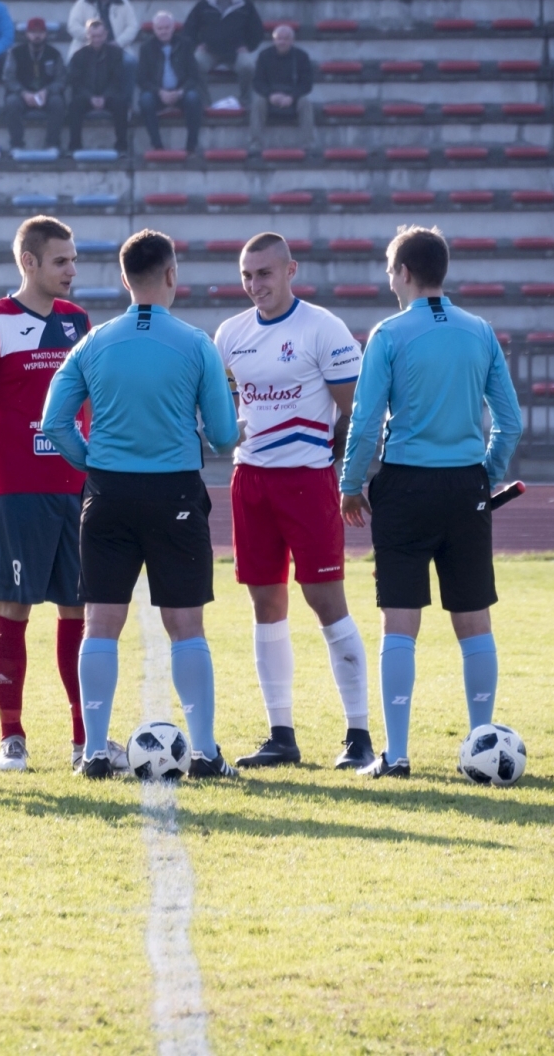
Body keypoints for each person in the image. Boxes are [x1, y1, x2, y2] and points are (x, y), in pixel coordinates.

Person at [41, 230, 239, 779]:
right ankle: (203, 753)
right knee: (185, 625)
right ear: (172, 275)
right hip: (174, 492)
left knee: (100, 624)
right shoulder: (197, 343)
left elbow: (54, 422)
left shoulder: (93, 342)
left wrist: (91, 462)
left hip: (107, 494)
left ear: (124, 280)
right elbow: (223, 437)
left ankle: (96, 753)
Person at [338, 226, 523, 779]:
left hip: (407, 486)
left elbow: (366, 421)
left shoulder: (390, 333)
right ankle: (482, 747)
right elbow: (510, 422)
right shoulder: (480, 330)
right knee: (474, 621)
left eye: (389, 270)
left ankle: (395, 757)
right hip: (465, 486)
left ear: (404, 273)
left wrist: (350, 483)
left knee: (401, 622)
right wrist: (483, 477)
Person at [0, 217, 128, 774]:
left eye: (74, 260)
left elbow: (95, 407)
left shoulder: (80, 323)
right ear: (28, 263)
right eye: (62, 261)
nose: (72, 270)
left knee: (78, 610)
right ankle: (12, 737)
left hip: (78, 490)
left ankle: (85, 741)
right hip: (18, 491)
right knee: (14, 605)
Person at [213, 234, 374, 769]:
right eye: (246, 275)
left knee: (327, 603)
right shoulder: (229, 334)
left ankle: (359, 735)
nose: (255, 285)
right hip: (251, 482)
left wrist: (343, 473)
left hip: (308, 483)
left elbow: (355, 410)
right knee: (266, 607)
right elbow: (226, 405)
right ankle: (281, 734)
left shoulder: (322, 328)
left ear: (290, 271)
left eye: (264, 273)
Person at [182, 0, 263, 104]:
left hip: (236, 52)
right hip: (209, 51)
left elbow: (257, 30)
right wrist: (196, 45)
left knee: (248, 66)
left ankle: (245, 101)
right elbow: (188, 29)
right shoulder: (203, 5)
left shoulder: (246, 5)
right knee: (194, 64)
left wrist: (248, 46)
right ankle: (204, 103)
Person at [136, 12, 203, 154]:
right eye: (160, 28)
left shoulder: (185, 45)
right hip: (158, 93)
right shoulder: (146, 48)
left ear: (173, 28)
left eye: (167, 27)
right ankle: (157, 145)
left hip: (181, 92)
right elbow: (142, 79)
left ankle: (191, 146)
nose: (163, 31)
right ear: (154, 30)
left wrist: (180, 92)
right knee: (145, 100)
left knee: (194, 98)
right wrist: (160, 92)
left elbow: (194, 76)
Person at [1, 17, 67, 151]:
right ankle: (17, 144)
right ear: (27, 34)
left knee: (58, 103)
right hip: (22, 95)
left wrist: (47, 91)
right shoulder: (15, 53)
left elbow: (61, 80)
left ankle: (52, 144)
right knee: (11, 102)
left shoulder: (54, 54)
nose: (37, 36)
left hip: (47, 95)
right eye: (33, 32)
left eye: (40, 32)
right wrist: (23, 93)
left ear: (46, 34)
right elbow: (8, 78)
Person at [248, 24, 316, 154]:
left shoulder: (301, 56)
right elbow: (258, 82)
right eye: (279, 38)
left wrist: (292, 97)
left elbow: (307, 84)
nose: (282, 42)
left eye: (286, 39)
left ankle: (308, 144)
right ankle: (255, 144)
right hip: (270, 97)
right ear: (274, 40)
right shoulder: (264, 55)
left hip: (293, 98)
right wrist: (270, 95)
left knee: (306, 103)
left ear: (292, 40)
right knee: (257, 103)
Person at [65, 0, 139, 94]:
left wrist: (118, 42)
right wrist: (92, 37)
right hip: (87, 48)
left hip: (117, 48)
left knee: (130, 63)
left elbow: (133, 26)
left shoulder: (123, 2)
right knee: (74, 63)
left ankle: (126, 105)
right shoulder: (82, 2)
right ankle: (78, 103)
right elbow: (72, 25)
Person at [67, 19, 129, 153]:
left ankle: (122, 146)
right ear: (87, 35)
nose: (96, 39)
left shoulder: (116, 54)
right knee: (74, 106)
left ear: (106, 34)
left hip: (110, 95)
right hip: (86, 96)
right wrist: (90, 97)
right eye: (93, 36)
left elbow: (117, 80)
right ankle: (74, 146)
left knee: (121, 105)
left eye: (99, 36)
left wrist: (105, 97)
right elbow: (75, 82)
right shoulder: (78, 56)